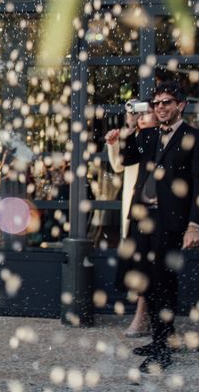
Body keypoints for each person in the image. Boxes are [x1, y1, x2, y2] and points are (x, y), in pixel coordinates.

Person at [120, 81, 199, 373]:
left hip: (171, 221)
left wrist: (194, 224)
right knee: (147, 281)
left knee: (164, 284)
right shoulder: (149, 134)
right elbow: (128, 157)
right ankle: (161, 339)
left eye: (167, 102)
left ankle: (162, 348)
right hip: (143, 218)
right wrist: (129, 126)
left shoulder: (194, 137)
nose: (161, 107)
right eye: (157, 103)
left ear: (181, 105)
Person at [105, 105, 157, 338]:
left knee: (153, 265)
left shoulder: (167, 138)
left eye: (146, 113)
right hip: (135, 211)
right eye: (139, 113)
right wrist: (117, 139)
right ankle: (143, 316)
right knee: (138, 265)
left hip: (160, 212)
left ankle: (147, 317)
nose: (141, 117)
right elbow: (118, 165)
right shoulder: (134, 138)